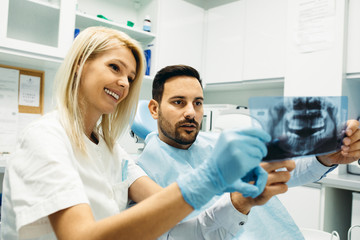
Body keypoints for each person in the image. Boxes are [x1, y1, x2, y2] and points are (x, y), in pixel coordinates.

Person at [1, 27, 273, 240]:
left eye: (131, 77)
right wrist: (210, 178)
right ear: (79, 65)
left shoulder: (111, 151)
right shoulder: (45, 138)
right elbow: (80, 236)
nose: (124, 82)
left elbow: (168, 214)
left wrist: (236, 196)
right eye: (115, 67)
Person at [136, 65, 360, 239]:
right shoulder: (142, 176)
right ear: (155, 109)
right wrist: (237, 202)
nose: (191, 113)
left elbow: (285, 168)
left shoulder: (222, 143)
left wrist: (323, 158)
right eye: (178, 102)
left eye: (197, 103)